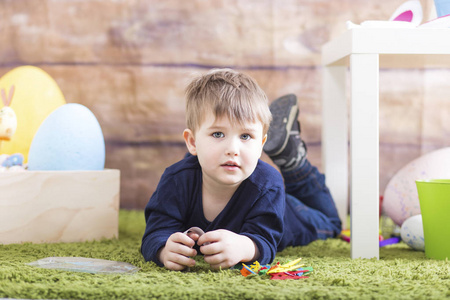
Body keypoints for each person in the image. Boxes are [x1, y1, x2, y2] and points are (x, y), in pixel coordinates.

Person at [141, 68, 341, 271]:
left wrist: (244, 246)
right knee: (194, 169)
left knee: (332, 223)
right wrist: (164, 249)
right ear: (192, 142)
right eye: (218, 134)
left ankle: (295, 164)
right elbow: (155, 233)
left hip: (284, 211)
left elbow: (265, 241)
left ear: (261, 144)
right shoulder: (176, 180)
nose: (232, 150)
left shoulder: (268, 185)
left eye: (245, 136)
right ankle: (206, 157)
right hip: (223, 179)